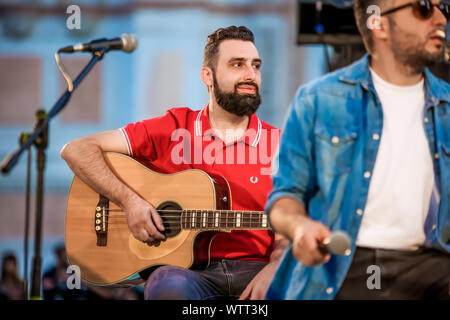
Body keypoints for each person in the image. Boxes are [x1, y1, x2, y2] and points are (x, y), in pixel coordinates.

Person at [60, 25, 287, 300]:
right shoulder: (173, 128)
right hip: (189, 273)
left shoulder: (282, 145)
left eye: (256, 66)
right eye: (237, 64)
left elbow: (294, 219)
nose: (251, 75)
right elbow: (77, 150)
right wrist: (130, 202)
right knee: (167, 285)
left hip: (258, 269)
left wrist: (276, 264)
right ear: (208, 76)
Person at [265, 0, 450, 300]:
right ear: (378, 22)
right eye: (424, 7)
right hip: (342, 264)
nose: (440, 17)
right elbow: (285, 197)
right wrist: (299, 228)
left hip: (431, 266)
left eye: (444, 6)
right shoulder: (318, 100)